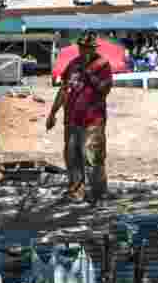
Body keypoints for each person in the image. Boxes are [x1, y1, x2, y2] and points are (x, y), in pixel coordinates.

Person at [46, 31, 112, 203]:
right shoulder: (73, 64)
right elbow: (63, 89)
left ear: (94, 48)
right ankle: (76, 191)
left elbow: (105, 90)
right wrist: (53, 113)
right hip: (72, 119)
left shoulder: (103, 65)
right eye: (81, 47)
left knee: (92, 157)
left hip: (93, 121)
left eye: (87, 48)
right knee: (72, 156)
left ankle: (98, 193)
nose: (83, 51)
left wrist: (89, 74)